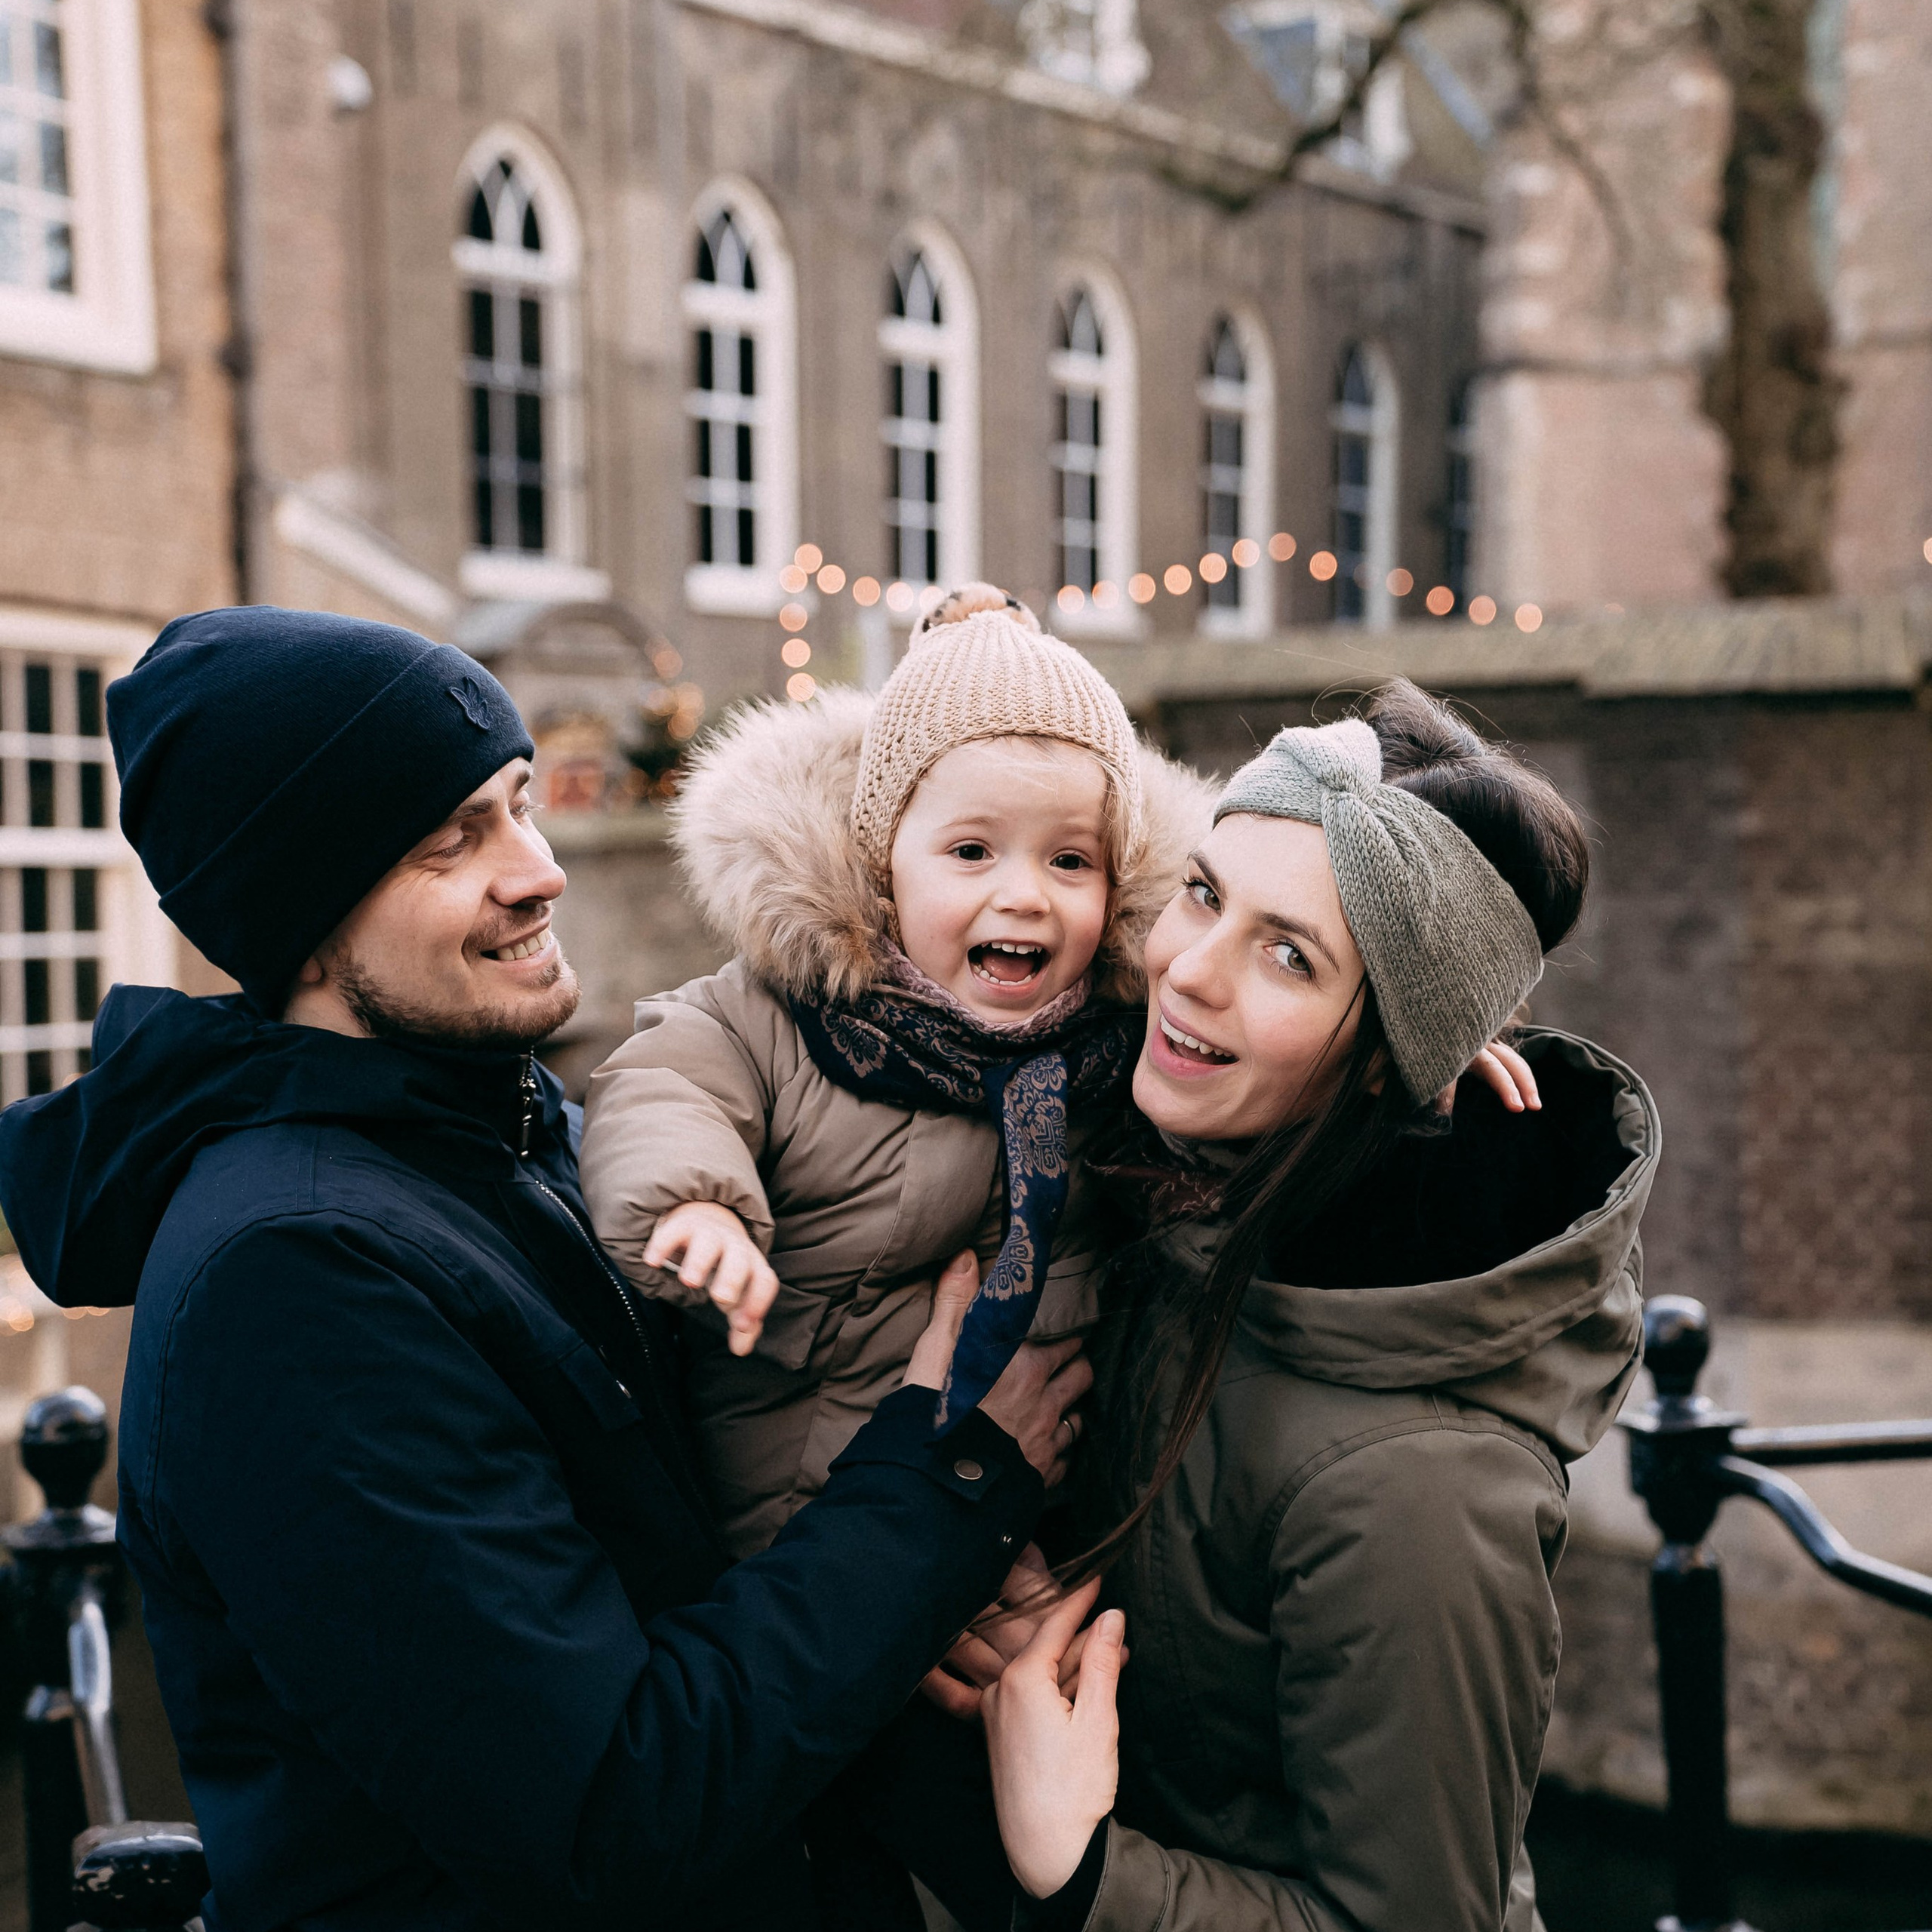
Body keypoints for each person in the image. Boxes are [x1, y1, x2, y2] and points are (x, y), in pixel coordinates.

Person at [0, 605, 1091, 1932]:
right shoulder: (295, 1285)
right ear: (308, 913)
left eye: (517, 803)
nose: (538, 869)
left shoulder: (500, 1132)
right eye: (447, 841)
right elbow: (609, 1812)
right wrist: (945, 1480)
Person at [979, 682, 1660, 1932]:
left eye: (1290, 954)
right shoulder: (1178, 1195)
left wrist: (1082, 1869)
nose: (1188, 972)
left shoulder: (1416, 1487)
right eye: (1202, 894)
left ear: (1394, 1060)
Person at [578, 585, 1214, 1557]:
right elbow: (669, 1082)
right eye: (971, 850)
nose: (1025, 894)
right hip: (794, 1534)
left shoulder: (1113, 1044)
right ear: (884, 865)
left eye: (1072, 861)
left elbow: (1264, 1058)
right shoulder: (795, 1014)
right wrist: (696, 1204)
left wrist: (1397, 1061)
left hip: (1021, 1519)